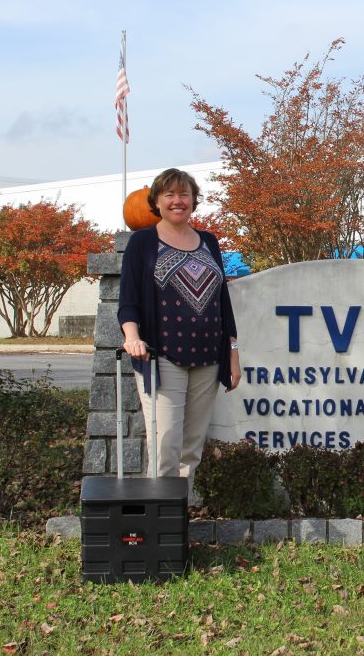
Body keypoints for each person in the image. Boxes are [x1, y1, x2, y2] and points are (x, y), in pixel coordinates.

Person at [118, 168, 241, 490]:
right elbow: (128, 299)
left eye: (184, 194)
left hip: (208, 358)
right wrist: (132, 337)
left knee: (191, 449)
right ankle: (157, 527)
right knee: (166, 445)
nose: (178, 201)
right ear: (156, 202)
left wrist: (232, 354)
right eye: (170, 195)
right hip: (163, 358)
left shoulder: (209, 242)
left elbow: (222, 300)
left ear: (193, 200)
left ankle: (177, 523)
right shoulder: (143, 242)